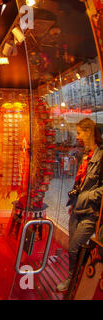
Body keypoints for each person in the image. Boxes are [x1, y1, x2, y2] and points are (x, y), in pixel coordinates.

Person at [56, 118, 103, 292]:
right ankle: (75, 276)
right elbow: (81, 182)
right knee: (72, 247)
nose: (78, 136)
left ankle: (72, 278)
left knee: (75, 246)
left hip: (90, 212)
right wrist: (75, 200)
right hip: (77, 208)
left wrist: (87, 197)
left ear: (89, 131)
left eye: (79, 132)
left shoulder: (101, 156)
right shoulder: (86, 155)